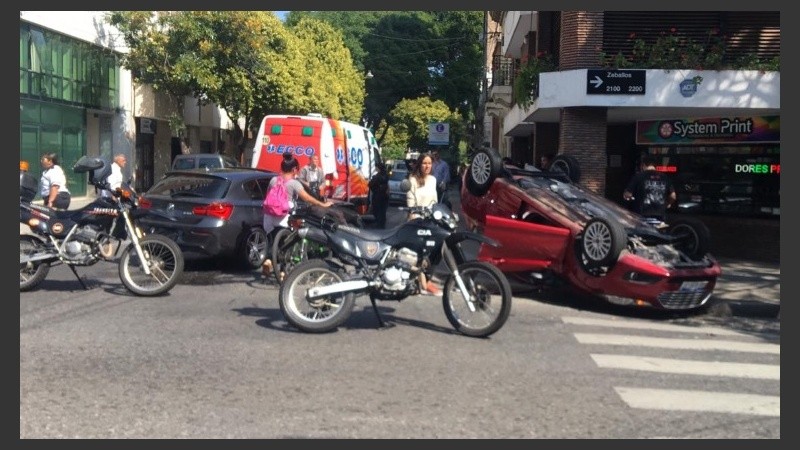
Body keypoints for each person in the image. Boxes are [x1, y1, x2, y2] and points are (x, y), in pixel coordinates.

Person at [262, 155, 333, 276]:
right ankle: (284, 272)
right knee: (289, 242)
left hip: (268, 216)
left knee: (273, 240)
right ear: (294, 169)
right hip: (283, 217)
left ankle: (268, 260)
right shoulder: (294, 183)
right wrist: (323, 204)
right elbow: (307, 198)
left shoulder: (273, 180)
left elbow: (268, 195)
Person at [406, 153, 441, 296]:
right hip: (417, 220)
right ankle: (423, 283)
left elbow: (435, 201)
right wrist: (413, 215)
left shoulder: (433, 180)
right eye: (424, 163)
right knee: (419, 254)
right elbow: (410, 201)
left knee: (438, 249)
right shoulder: (413, 180)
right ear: (419, 165)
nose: (427, 166)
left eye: (429, 163)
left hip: (431, 220)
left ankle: (426, 280)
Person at [623, 154, 676, 222]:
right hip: (660, 213)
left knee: (642, 231)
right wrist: (667, 204)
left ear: (643, 165)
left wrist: (628, 197)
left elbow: (628, 194)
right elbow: (673, 196)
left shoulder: (638, 176)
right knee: (659, 231)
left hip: (643, 214)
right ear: (655, 165)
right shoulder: (664, 177)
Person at [368, 162, 389, 228]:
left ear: (378, 168)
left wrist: (373, 188)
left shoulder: (377, 176)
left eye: (376, 167)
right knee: (383, 211)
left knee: (377, 210)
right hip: (384, 196)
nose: (376, 168)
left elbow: (370, 184)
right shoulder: (386, 175)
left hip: (378, 195)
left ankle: (378, 223)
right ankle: (382, 224)